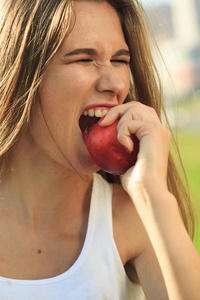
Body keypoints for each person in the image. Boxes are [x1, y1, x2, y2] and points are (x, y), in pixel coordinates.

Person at [0, 0, 199, 299]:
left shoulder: (133, 220)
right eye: (84, 59)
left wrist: (152, 193)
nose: (115, 84)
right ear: (23, 75)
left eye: (120, 61)